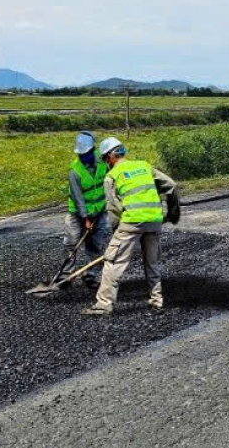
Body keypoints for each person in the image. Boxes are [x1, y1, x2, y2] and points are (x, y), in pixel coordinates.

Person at [84, 137, 179, 316]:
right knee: (152, 262)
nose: (106, 164)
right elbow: (172, 186)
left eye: (105, 160)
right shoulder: (144, 166)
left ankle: (103, 305)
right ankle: (157, 301)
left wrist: (116, 234)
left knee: (112, 262)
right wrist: (172, 213)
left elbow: (114, 208)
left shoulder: (111, 176)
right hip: (154, 221)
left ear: (109, 157)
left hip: (132, 222)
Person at [63, 131, 110, 290]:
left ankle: (91, 275)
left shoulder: (103, 161)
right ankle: (65, 276)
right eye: (81, 154)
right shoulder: (74, 171)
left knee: (95, 245)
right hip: (77, 213)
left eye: (87, 154)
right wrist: (86, 219)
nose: (84, 157)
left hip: (100, 211)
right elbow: (78, 198)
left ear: (92, 150)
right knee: (72, 243)